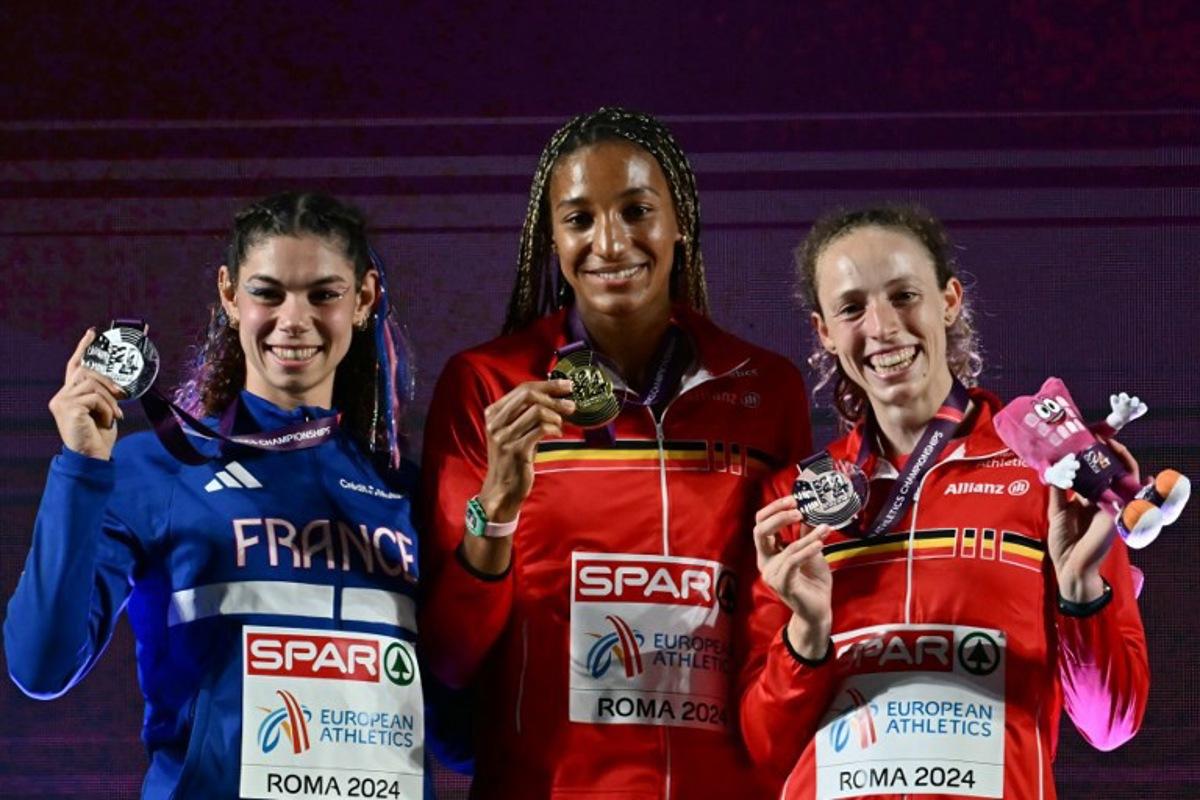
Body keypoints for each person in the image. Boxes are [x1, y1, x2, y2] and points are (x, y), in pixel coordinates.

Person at [419, 107, 812, 798]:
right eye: (578, 219)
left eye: (637, 210)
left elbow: (776, 619)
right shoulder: (487, 383)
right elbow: (451, 658)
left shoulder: (766, 387)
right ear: (551, 239)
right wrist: (496, 510)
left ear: (679, 221)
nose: (610, 242)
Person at [4, 192, 432, 799]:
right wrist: (80, 468)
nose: (294, 319)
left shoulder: (406, 493)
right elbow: (40, 665)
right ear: (230, 295)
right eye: (268, 292)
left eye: (323, 294)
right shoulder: (154, 470)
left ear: (362, 299)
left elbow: (458, 734)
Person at [739, 206, 1149, 798]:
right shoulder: (795, 503)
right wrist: (808, 632)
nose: (880, 327)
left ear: (949, 300)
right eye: (852, 308)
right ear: (825, 331)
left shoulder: (1051, 476)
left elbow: (1110, 724)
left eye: (903, 295)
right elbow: (767, 748)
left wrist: (1080, 589)